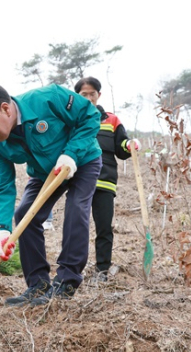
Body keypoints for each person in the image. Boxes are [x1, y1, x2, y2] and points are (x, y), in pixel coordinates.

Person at [0, 81, 102, 307]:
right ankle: (38, 284)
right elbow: (3, 184)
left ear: (5, 109)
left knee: (76, 209)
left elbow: (90, 116)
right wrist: (2, 229)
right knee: (25, 214)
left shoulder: (49, 98)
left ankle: (66, 281)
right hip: (43, 172)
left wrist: (71, 154)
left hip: (82, 160)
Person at [74, 77, 141, 281]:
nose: (88, 98)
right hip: (79, 182)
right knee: (77, 227)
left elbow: (121, 149)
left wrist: (130, 145)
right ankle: (73, 269)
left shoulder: (111, 120)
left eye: (91, 94)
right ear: (76, 96)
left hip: (104, 182)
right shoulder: (71, 121)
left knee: (104, 228)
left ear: (98, 95)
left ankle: (102, 269)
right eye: (83, 94)